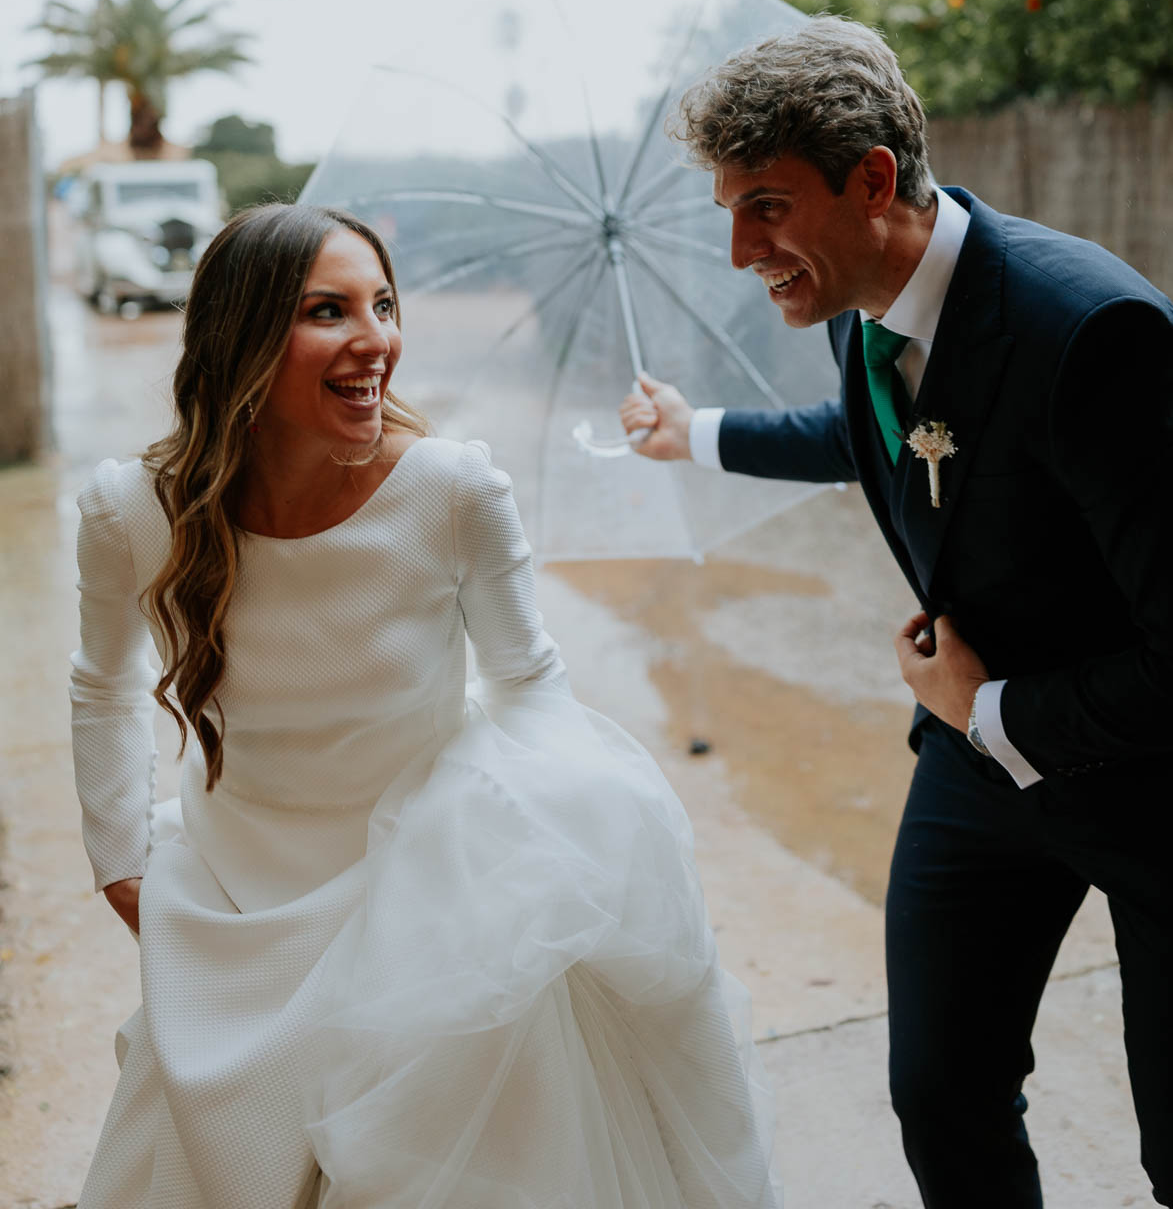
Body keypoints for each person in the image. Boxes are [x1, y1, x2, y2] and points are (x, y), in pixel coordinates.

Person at [71, 202, 777, 1209]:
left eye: (385, 303)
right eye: (330, 309)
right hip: (234, 892)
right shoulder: (131, 509)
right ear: (243, 336)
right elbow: (98, 679)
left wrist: (546, 858)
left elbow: (530, 681)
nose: (378, 340)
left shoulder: (452, 489)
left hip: (431, 887)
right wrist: (120, 857)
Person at [619, 16, 1173, 1209]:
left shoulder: (1092, 330)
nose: (737, 247)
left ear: (872, 180)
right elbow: (876, 438)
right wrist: (695, 433)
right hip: (974, 774)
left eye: (763, 204)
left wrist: (994, 700)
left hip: (1154, 788)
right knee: (942, 1091)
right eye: (728, 208)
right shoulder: (869, 310)